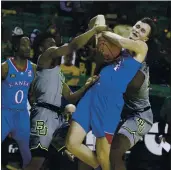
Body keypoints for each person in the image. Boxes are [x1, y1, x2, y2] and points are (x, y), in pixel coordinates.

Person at [65, 16, 157, 170]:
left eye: (142, 30)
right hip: (114, 107)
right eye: (137, 26)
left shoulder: (140, 59)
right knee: (81, 148)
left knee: (114, 152)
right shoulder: (118, 52)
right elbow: (99, 71)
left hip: (138, 114)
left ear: (146, 38)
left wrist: (102, 31)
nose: (137, 30)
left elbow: (132, 85)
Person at [25, 23, 106, 170]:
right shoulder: (45, 57)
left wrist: (87, 86)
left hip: (56, 117)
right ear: (41, 48)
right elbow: (72, 46)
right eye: (49, 43)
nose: (53, 45)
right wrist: (93, 30)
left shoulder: (57, 73)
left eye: (54, 43)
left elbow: (71, 97)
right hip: (43, 114)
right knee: (37, 161)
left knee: (75, 152)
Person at [1, 35, 36, 168]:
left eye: (29, 45)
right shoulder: (4, 67)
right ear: (16, 47)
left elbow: (32, 95)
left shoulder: (33, 68)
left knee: (28, 154)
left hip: (22, 115)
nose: (28, 48)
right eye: (24, 45)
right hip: (4, 113)